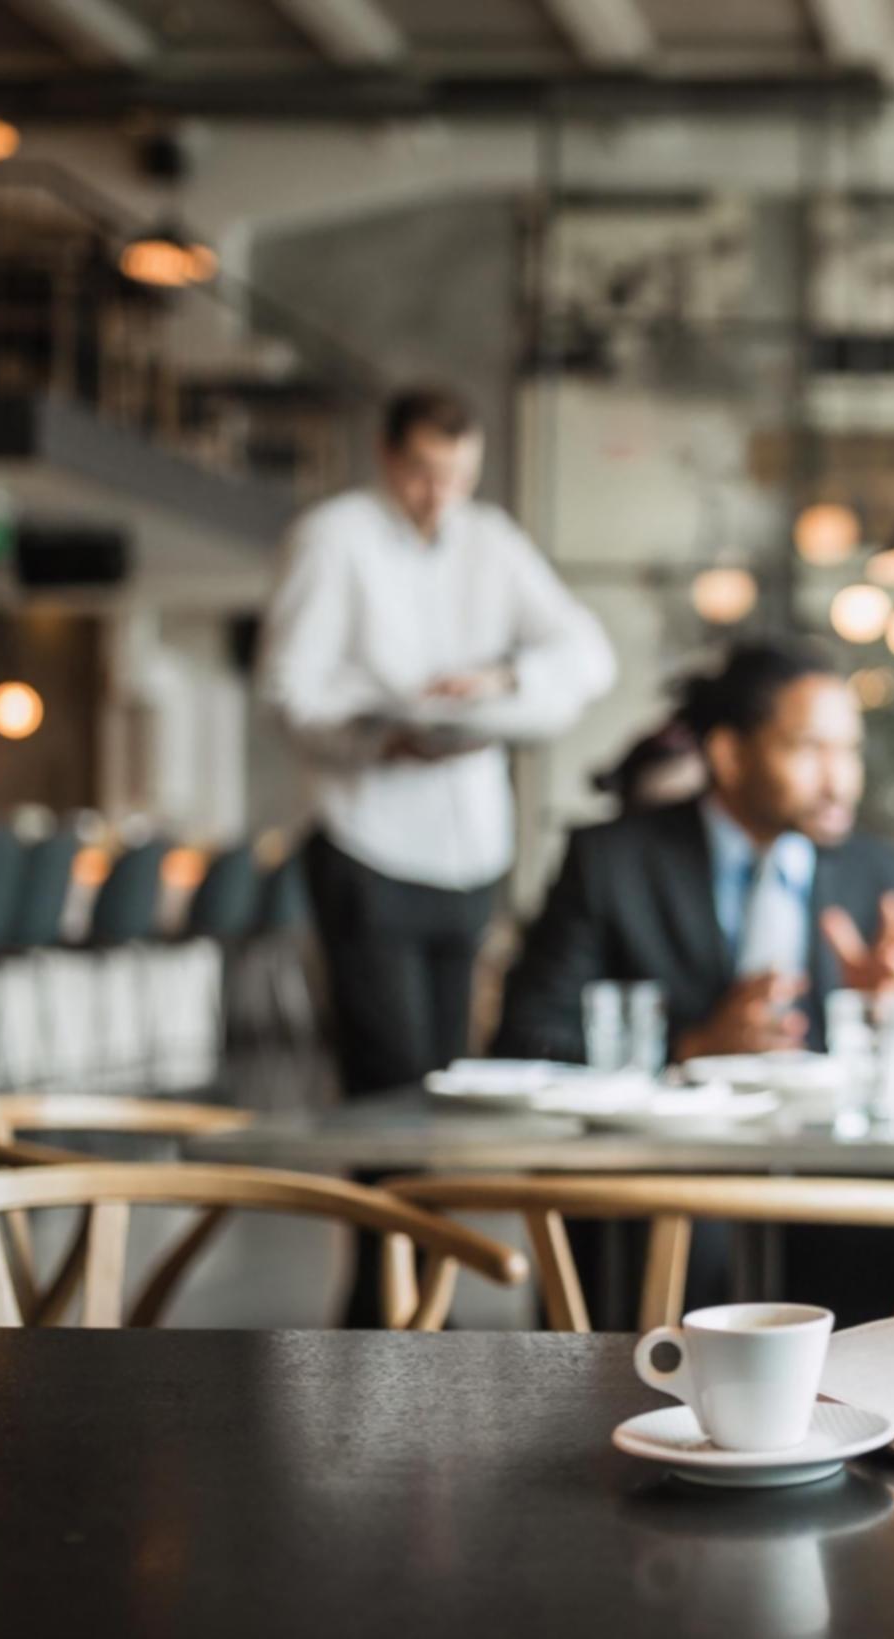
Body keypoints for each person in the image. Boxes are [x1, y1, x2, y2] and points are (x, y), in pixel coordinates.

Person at [259, 384, 614, 1321]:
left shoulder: (491, 540)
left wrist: (503, 676)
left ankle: (423, 1296)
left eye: (454, 475)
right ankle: (386, 1306)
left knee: (448, 1090)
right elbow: (289, 691)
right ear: (386, 456)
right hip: (367, 841)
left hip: (469, 855)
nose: (435, 495)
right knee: (388, 1093)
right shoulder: (332, 537)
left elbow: (585, 652)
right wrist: (382, 737)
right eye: (420, 473)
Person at [493, 638, 894, 1083]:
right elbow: (526, 1035)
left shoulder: (880, 873)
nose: (840, 783)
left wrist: (891, 1016)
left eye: (848, 750)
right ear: (728, 756)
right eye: (809, 748)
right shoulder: (612, 863)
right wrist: (692, 1048)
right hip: (667, 1166)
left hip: (834, 1167)